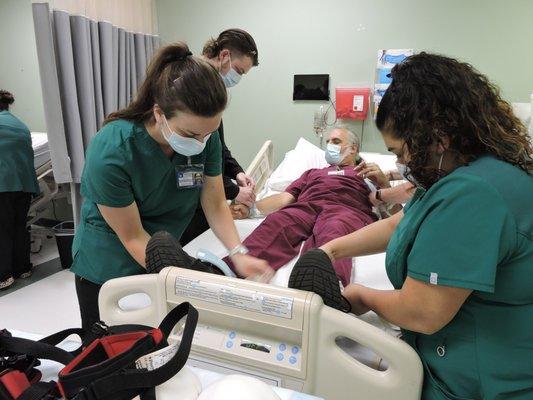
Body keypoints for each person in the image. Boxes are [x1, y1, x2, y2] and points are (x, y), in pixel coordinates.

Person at [289, 53, 533, 399]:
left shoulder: (473, 194)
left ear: (437, 135)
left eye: (400, 151)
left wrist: (360, 295)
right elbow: (402, 224)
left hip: (480, 384)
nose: (401, 163)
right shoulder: (463, 175)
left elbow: (423, 312)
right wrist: (329, 249)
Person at [71, 43, 271, 330]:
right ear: (159, 113)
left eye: (209, 133)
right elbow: (133, 236)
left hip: (162, 253)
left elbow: (214, 202)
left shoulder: (205, 138)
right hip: (108, 262)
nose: (201, 143)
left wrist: (238, 253)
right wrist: (185, 277)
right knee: (107, 351)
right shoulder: (112, 149)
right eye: (191, 134)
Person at [226, 127, 399, 287]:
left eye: (336, 142)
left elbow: (397, 218)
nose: (330, 145)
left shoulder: (368, 173)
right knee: (278, 221)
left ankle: (328, 284)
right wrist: (252, 209)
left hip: (346, 210)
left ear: (353, 149)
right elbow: (284, 199)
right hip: (306, 208)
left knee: (334, 230)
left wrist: (384, 184)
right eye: (328, 142)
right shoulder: (313, 173)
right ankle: (229, 269)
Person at [180, 29, 259, 246]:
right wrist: (233, 190)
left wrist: (237, 173)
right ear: (224, 56)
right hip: (184, 205)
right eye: (239, 71)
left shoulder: (211, 97)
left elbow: (217, 146)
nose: (238, 78)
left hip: (200, 201)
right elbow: (187, 170)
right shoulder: (189, 92)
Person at [0, 90, 39, 290]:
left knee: (2, 229)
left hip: (4, 185)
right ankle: (22, 268)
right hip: (24, 185)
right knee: (18, 226)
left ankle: (3, 275)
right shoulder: (19, 124)